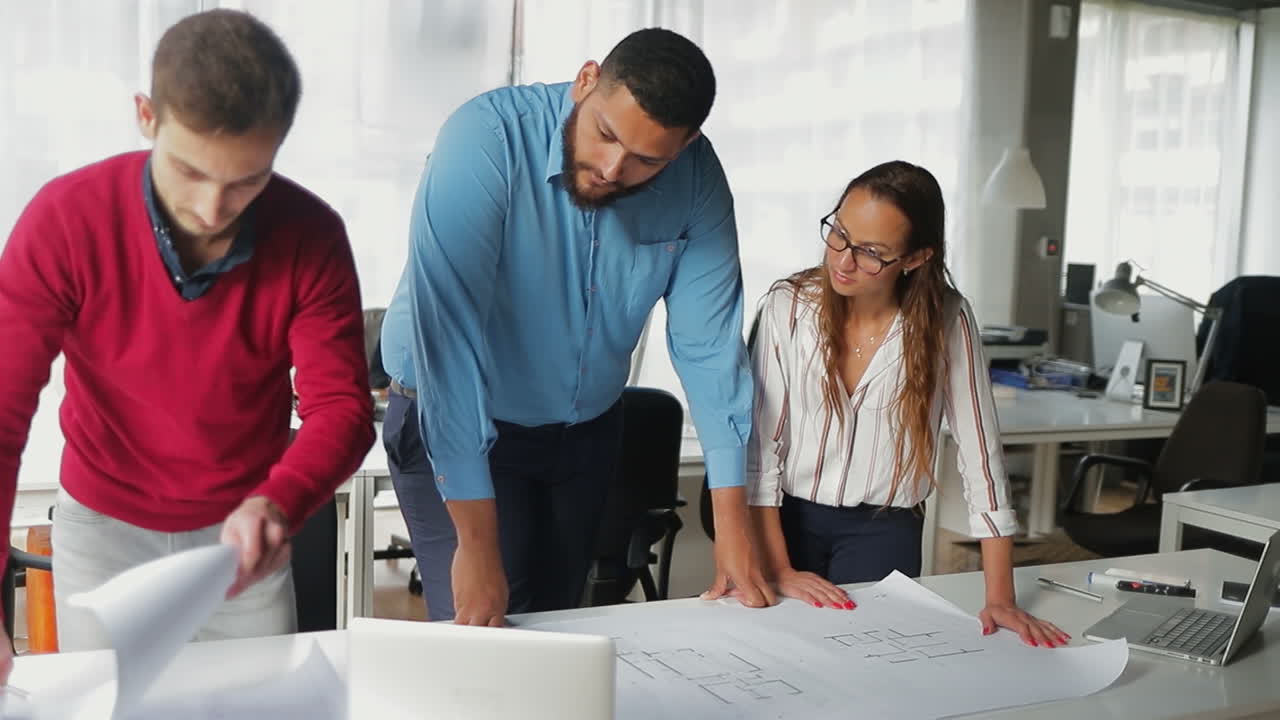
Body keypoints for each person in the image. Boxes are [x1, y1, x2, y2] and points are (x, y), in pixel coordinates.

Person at [0, 8, 375, 672]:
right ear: (147, 116)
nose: (210, 210)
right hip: (103, 529)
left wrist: (278, 500)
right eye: (191, 173)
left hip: (244, 538)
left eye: (245, 182)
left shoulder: (311, 236)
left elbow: (341, 409)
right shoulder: (63, 222)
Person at [380, 27, 774, 625]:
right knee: (488, 631)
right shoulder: (484, 141)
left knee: (557, 626)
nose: (614, 168)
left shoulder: (696, 177)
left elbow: (710, 348)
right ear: (586, 81)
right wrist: (478, 548)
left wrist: (733, 530)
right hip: (457, 412)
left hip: (584, 433)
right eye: (605, 135)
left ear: (686, 143)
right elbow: (450, 343)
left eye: (648, 160)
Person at [745, 160, 1067, 647]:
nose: (844, 261)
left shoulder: (947, 320)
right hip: (787, 523)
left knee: (869, 668)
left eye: (872, 252)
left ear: (915, 258)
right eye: (839, 233)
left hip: (884, 531)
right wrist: (779, 566)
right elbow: (762, 449)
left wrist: (999, 595)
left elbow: (982, 457)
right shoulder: (788, 306)